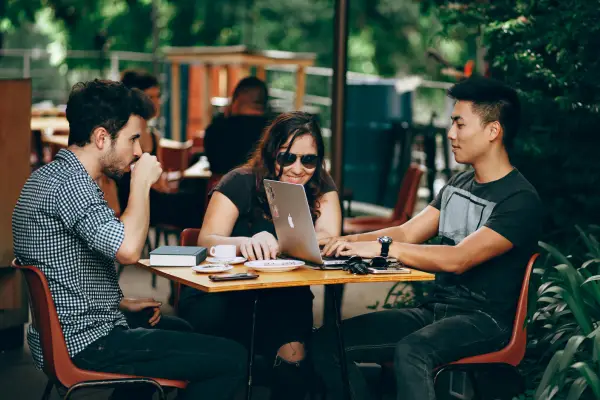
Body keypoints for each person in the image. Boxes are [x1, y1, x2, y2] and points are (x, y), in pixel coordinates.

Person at [12, 79, 246, 400]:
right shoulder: (73, 186)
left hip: (65, 335)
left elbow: (61, 270)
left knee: (182, 331)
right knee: (231, 359)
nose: (139, 150)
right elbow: (129, 250)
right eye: (133, 139)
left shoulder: (49, 177)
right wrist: (141, 184)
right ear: (101, 138)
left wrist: (116, 303)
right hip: (87, 342)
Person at [313, 76, 543, 400]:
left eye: (460, 124)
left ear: (493, 131)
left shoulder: (519, 199)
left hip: (485, 321)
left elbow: (459, 258)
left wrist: (381, 248)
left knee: (413, 351)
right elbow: (408, 231)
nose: (451, 134)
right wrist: (346, 242)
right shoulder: (459, 183)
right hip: (436, 311)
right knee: (327, 344)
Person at [178, 111, 342, 400]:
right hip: (226, 293)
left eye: (309, 159)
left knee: (295, 361)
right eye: (287, 157)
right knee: (232, 360)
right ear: (271, 155)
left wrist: (295, 239)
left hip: (284, 294)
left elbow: (329, 237)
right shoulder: (240, 181)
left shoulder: (320, 186)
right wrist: (245, 242)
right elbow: (206, 241)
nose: (298, 168)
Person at [203, 76, 271, 175]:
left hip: (222, 187)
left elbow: (214, 166)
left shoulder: (217, 129)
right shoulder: (274, 131)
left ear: (236, 100)